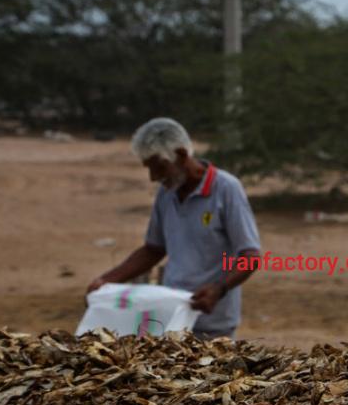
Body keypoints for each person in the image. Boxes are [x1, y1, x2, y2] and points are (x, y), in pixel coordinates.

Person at [87, 117, 261, 339]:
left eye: (159, 167)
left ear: (181, 155)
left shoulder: (226, 189)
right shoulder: (166, 193)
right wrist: (106, 281)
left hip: (212, 323)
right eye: (149, 169)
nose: (153, 178)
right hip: (170, 318)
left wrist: (219, 289)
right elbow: (153, 249)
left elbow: (250, 256)